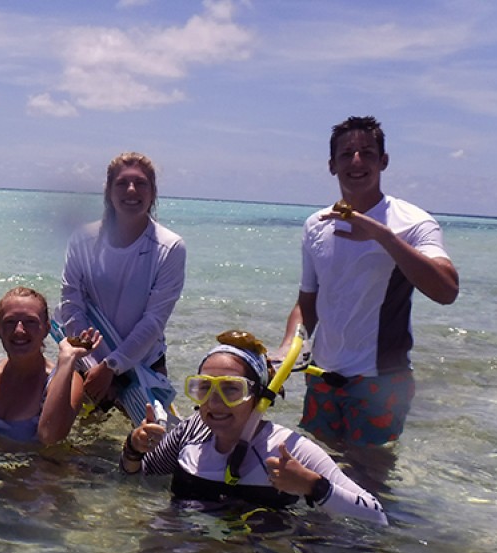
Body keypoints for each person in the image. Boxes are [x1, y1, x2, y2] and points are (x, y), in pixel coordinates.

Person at [277, 116, 459, 448]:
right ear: (332, 165)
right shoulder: (316, 224)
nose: (356, 161)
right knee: (316, 476)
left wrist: (382, 236)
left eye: (367, 152)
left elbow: (447, 290)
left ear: (383, 161)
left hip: (381, 380)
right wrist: (290, 345)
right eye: (346, 154)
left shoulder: (413, 222)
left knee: (370, 483)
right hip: (322, 376)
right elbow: (308, 302)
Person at [120, 330, 387, 524]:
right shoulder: (189, 432)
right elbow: (136, 478)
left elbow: (375, 515)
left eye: (231, 390)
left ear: (259, 396)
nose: (215, 402)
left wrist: (312, 486)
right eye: (203, 388)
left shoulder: (290, 450)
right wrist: (134, 447)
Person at [55, 152, 186, 413]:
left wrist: (112, 366)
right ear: (108, 190)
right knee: (76, 447)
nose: (131, 190)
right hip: (87, 362)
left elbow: (154, 320)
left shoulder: (170, 247)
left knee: (149, 449)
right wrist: (94, 364)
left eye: (141, 183)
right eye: (122, 183)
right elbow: (71, 303)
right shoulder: (82, 238)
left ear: (153, 192)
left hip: (142, 365)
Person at [0, 287, 101, 445]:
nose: (19, 330)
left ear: (46, 328)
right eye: (10, 322)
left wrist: (67, 358)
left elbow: (50, 437)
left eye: (30, 322)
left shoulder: (68, 380)